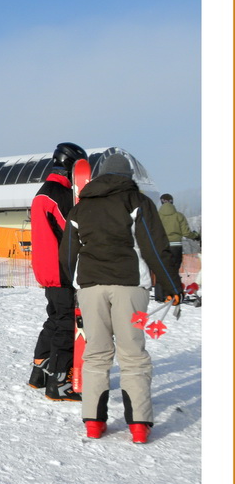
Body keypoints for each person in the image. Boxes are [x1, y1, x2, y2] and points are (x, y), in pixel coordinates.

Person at [61, 152, 183, 443]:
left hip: (90, 288)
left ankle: (93, 422)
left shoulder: (81, 208)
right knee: (133, 355)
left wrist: (75, 284)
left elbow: (67, 254)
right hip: (129, 285)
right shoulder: (137, 201)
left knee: (96, 354)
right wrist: (170, 285)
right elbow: (154, 245)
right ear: (128, 177)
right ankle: (139, 425)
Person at [28, 142, 86, 401]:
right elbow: (72, 228)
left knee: (54, 320)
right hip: (61, 267)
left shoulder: (43, 190)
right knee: (65, 323)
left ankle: (39, 371)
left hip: (46, 266)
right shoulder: (57, 193)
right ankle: (59, 382)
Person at [154, 193, 200, 301]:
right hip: (175, 247)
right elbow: (186, 233)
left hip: (161, 246)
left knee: (161, 270)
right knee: (174, 272)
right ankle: (174, 296)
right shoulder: (179, 216)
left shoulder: (156, 216)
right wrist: (196, 236)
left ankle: (160, 296)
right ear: (172, 202)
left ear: (161, 202)